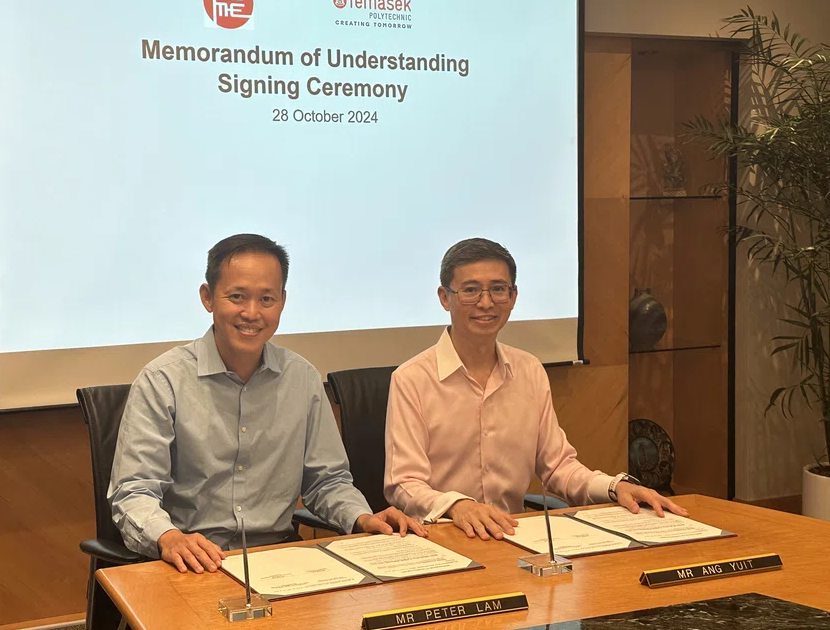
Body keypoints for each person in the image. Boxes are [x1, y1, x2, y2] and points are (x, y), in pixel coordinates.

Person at [109, 233, 425, 574]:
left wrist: (361, 518)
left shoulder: (301, 378)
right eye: (237, 297)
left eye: (267, 299)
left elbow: (327, 481)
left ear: (282, 302)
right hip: (192, 563)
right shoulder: (163, 380)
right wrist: (168, 537)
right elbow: (134, 491)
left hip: (280, 562)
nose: (252, 313)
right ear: (207, 297)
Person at [384, 238, 686, 542]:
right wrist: (457, 505)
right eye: (471, 290)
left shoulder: (529, 371)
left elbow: (558, 468)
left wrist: (615, 487)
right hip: (439, 539)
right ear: (445, 298)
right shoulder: (412, 379)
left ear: (513, 296)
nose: (486, 303)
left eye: (498, 289)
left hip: (513, 538)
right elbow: (403, 483)